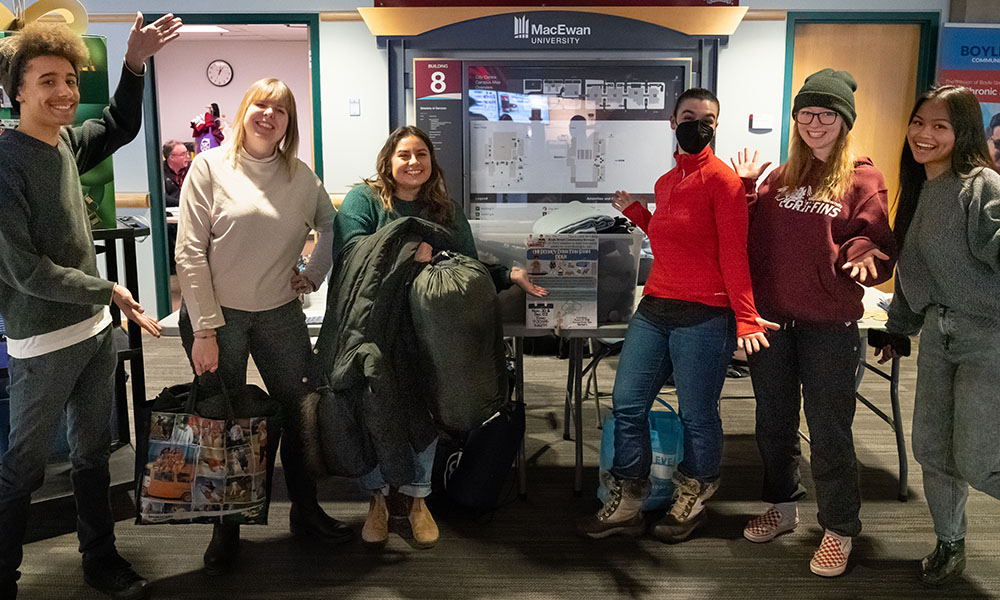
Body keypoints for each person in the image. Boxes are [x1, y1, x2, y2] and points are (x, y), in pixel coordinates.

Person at [0, 14, 176, 600]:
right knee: (22, 469)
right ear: (17, 90)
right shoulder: (5, 166)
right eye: (47, 80)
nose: (64, 92)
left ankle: (100, 559)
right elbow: (25, 272)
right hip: (43, 343)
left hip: (95, 333)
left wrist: (134, 63)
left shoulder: (68, 144)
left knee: (91, 456)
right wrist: (107, 290)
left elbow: (122, 121)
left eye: (71, 80)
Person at [333, 125, 546, 549]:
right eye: (404, 155)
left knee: (425, 408)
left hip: (427, 329)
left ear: (432, 162)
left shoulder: (444, 209)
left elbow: (466, 265)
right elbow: (351, 255)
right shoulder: (364, 200)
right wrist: (410, 249)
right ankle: (378, 497)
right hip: (374, 325)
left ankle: (416, 499)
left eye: (422, 155)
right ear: (388, 161)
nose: (414, 162)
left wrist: (507, 274)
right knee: (372, 405)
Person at [577, 88, 775, 543]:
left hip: (705, 314)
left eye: (707, 119)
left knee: (697, 414)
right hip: (655, 308)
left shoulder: (723, 182)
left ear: (716, 127)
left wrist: (745, 317)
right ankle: (628, 500)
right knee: (627, 405)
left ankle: (693, 501)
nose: (697, 125)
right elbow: (674, 240)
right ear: (673, 121)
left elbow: (733, 253)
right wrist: (638, 214)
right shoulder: (668, 183)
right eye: (689, 116)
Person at [175, 77, 352, 575]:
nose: (269, 114)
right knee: (225, 421)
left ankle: (306, 509)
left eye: (280, 108)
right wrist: (205, 331)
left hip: (278, 313)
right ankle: (225, 525)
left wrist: (313, 274)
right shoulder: (209, 168)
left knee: (300, 411)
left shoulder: (300, 175)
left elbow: (330, 224)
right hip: (218, 317)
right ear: (243, 110)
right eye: (261, 104)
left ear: (288, 122)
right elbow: (189, 252)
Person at [731, 68, 896, 578]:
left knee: (829, 430)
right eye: (806, 113)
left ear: (844, 121)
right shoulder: (780, 177)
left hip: (829, 325)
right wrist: (743, 189)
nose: (815, 123)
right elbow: (751, 238)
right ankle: (783, 507)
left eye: (826, 114)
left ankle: (840, 527)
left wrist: (867, 248)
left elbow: (876, 244)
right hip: (774, 322)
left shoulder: (863, 179)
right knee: (772, 423)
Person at [876, 85, 1000, 587]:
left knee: (978, 460)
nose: (924, 135)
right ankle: (950, 542)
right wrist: (898, 328)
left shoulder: (981, 185)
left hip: (987, 337)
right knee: (932, 448)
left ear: (962, 131)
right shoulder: (919, 188)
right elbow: (913, 270)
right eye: (919, 123)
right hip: (938, 337)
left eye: (940, 126)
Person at [161, 139, 189, 274]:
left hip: (188, 212)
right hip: (171, 216)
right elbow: (162, 198)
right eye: (183, 154)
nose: (188, 157)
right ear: (172, 157)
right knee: (170, 228)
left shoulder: (191, 170)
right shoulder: (160, 172)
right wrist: (183, 201)